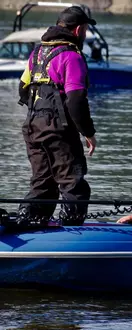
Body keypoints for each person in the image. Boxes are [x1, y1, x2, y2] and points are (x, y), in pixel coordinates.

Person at [17, 6, 97, 225]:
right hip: (58, 129)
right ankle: (72, 228)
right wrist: (88, 132)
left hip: (33, 126)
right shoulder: (72, 57)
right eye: (85, 29)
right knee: (73, 182)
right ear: (79, 29)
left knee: (42, 183)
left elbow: (23, 88)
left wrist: (40, 116)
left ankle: (28, 221)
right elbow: (75, 100)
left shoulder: (37, 53)